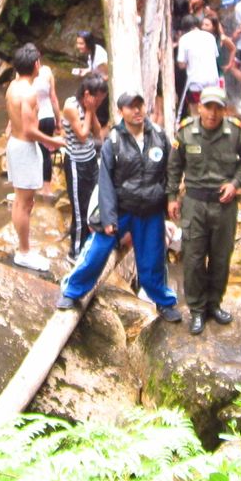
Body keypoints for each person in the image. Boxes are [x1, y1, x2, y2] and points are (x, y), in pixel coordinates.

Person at [57, 92, 181, 321]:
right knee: (96, 252)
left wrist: (170, 200)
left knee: (152, 259)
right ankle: (71, 291)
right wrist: (108, 218)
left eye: (140, 106)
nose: (137, 111)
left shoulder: (159, 136)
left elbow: (170, 172)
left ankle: (164, 302)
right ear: (120, 111)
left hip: (150, 209)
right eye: (131, 107)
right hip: (122, 208)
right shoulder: (113, 141)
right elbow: (105, 182)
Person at [167, 87, 241, 335]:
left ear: (224, 110)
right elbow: (174, 166)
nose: (212, 113)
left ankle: (214, 304)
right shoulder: (186, 132)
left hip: (224, 206)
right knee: (193, 258)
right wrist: (172, 197)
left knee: (221, 257)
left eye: (218, 108)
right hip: (194, 204)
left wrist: (235, 184)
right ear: (200, 108)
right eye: (208, 107)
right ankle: (196, 309)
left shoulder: (235, 131)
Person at [6, 44, 66, 270]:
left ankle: (23, 248)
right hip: (24, 148)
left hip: (15, 144)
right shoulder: (29, 94)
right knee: (24, 202)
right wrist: (54, 142)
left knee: (23, 201)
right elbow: (30, 130)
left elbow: (15, 122)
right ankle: (24, 252)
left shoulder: (12, 86)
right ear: (35, 65)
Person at [60, 72, 108, 262]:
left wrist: (92, 110)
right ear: (88, 94)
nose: (100, 103)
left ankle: (89, 243)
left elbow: (98, 134)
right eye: (98, 99)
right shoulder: (71, 106)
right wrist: (89, 110)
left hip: (90, 159)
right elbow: (81, 134)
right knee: (79, 209)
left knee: (93, 203)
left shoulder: (89, 108)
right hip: (75, 163)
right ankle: (75, 252)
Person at [176, 13, 221, 117]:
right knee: (211, 111)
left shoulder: (184, 39)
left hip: (195, 82)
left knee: (195, 112)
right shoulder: (210, 37)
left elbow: (181, 64)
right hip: (213, 81)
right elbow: (215, 56)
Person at [35, 53, 60, 197]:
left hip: (35, 119)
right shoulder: (47, 71)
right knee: (46, 153)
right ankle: (47, 188)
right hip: (48, 117)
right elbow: (53, 98)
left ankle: (39, 186)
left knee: (36, 152)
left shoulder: (24, 75)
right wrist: (59, 121)